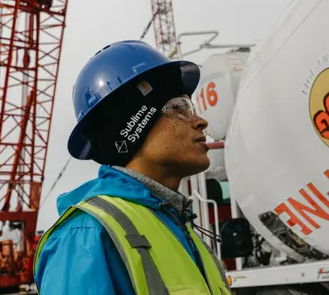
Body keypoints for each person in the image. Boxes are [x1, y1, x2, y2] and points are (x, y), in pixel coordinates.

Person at [33, 40, 232, 294]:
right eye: (180, 108)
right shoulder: (86, 235)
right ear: (133, 127)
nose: (201, 121)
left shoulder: (181, 229)